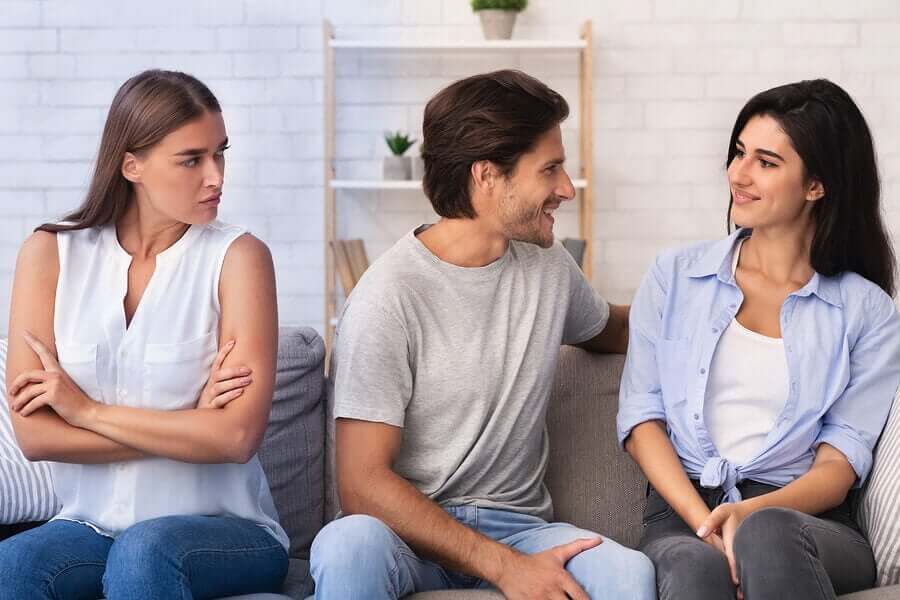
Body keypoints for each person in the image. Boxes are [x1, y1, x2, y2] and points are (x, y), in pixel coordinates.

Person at [309, 69, 656, 600]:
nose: (565, 188)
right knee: (347, 545)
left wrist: (732, 307)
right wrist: (505, 568)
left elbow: (617, 329)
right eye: (551, 170)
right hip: (408, 537)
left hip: (522, 529)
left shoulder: (548, 267)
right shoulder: (388, 296)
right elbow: (361, 486)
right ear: (488, 176)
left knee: (627, 575)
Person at [0, 69, 288, 599]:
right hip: (90, 527)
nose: (216, 176)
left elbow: (234, 438)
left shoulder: (239, 259)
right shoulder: (50, 254)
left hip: (226, 531)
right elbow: (37, 437)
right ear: (131, 164)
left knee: (146, 550)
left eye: (220, 153)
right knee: (14, 563)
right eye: (191, 159)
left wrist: (84, 411)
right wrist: (189, 424)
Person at [618, 78, 900, 600]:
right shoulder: (674, 275)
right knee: (695, 567)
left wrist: (748, 515)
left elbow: (838, 465)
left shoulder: (866, 310)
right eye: (739, 153)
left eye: (766, 163)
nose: (738, 175)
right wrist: (709, 523)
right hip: (684, 515)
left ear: (816, 185)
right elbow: (641, 421)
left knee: (766, 533)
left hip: (805, 523)